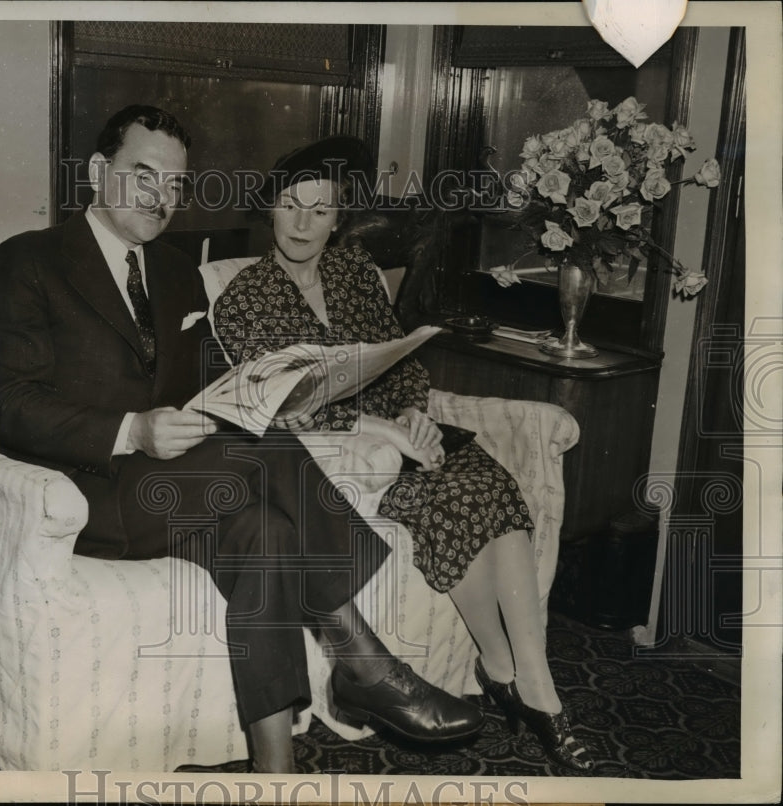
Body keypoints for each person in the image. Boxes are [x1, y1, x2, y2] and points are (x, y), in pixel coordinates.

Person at [0, 106, 484, 774]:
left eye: (175, 184)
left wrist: (284, 390)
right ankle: (364, 663)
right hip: (83, 494)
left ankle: (275, 775)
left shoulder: (179, 271)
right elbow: (10, 407)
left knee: (266, 531)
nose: (161, 197)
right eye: (143, 175)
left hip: (175, 485)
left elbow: (218, 380)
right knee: (258, 457)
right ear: (99, 173)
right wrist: (132, 430)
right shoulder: (29, 261)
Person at [213, 135, 596, 773]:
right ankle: (535, 697)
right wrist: (386, 432)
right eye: (291, 205)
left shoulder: (356, 274)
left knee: (490, 489)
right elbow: (277, 406)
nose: (304, 222)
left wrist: (416, 414)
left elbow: (397, 359)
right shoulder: (244, 299)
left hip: (402, 433)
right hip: (338, 454)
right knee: (451, 498)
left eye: (320, 208)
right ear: (270, 210)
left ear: (339, 218)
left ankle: (519, 677)